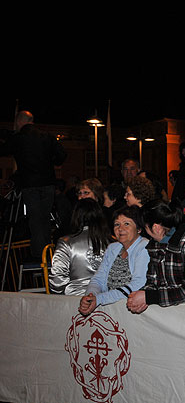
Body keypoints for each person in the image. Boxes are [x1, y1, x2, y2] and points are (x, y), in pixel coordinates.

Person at [0, 110, 67, 260]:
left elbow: (3, 150)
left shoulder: (18, 139)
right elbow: (62, 155)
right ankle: (49, 252)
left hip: (29, 184)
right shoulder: (47, 136)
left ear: (19, 122)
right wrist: (51, 161)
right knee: (44, 219)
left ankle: (40, 256)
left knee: (35, 220)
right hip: (48, 183)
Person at [126, 200, 185, 312]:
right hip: (168, 312)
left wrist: (150, 297)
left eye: (145, 228)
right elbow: (152, 281)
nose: (145, 232)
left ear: (156, 228)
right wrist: (143, 296)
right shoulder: (155, 244)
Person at [78, 206, 150, 314]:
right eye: (117, 224)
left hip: (134, 310)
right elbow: (98, 279)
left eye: (126, 224)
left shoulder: (144, 246)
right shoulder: (113, 248)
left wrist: (100, 299)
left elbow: (138, 284)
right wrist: (90, 297)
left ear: (139, 229)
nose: (120, 229)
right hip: (112, 309)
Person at [49, 199, 112, 295]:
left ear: (76, 216)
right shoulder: (113, 242)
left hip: (75, 300)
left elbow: (57, 281)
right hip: (108, 300)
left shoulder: (66, 243)